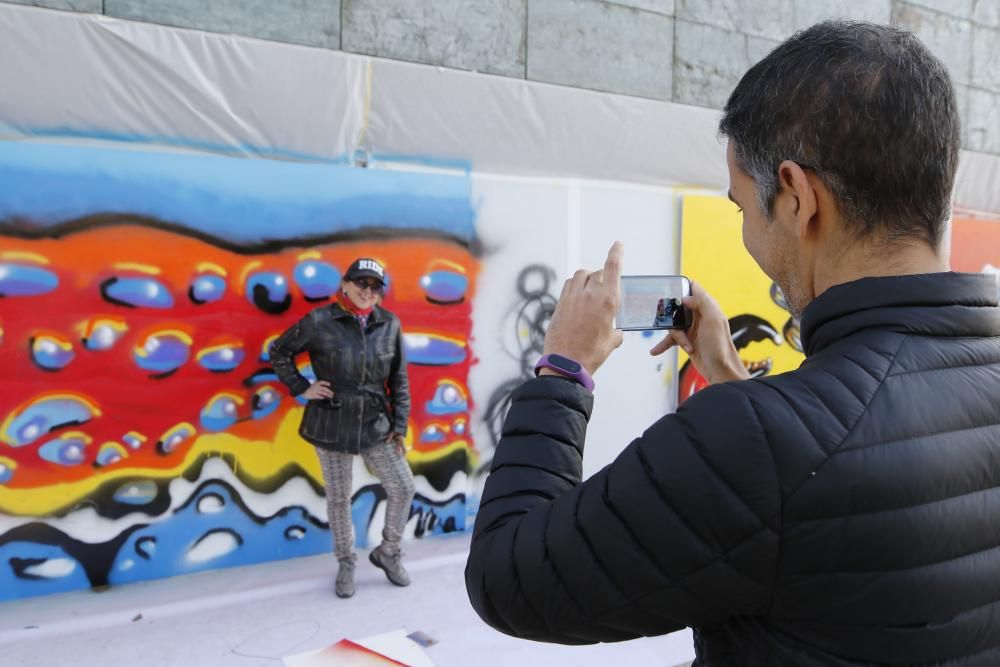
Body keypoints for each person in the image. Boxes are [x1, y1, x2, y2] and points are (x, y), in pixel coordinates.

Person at [466, 21, 1000, 664]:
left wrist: (563, 369)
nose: (749, 235)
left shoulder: (753, 442)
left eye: (744, 208)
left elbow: (510, 576)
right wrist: (725, 371)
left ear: (799, 197)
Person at [271, 257, 415, 599]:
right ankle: (346, 562)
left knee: (403, 487)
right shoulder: (320, 321)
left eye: (374, 287)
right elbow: (280, 351)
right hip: (331, 423)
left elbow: (399, 378)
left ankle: (389, 552)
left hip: (376, 424)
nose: (367, 291)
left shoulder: (390, 324)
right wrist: (300, 386)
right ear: (345, 285)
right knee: (339, 499)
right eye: (361, 284)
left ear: (380, 293)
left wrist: (399, 426)